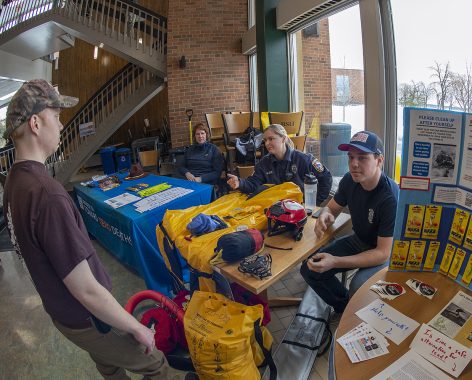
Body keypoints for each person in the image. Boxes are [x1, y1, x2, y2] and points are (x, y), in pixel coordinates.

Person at [3, 79, 183, 379]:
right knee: (155, 364)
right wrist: (137, 328)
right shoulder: (47, 194)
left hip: (63, 314)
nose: (62, 127)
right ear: (35, 123)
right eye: (57, 117)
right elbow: (85, 289)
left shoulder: (15, 181)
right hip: (90, 318)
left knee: (110, 368)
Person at [300, 131, 398, 313]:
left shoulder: (389, 197)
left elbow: (383, 253)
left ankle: (354, 306)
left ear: (379, 160)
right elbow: (332, 208)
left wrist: (335, 261)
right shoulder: (349, 180)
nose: (354, 164)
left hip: (382, 251)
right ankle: (346, 309)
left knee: (358, 287)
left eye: (362, 158)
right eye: (351, 157)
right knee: (309, 268)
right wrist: (324, 215)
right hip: (359, 240)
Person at [226, 124, 332, 205]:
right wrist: (240, 183)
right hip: (276, 210)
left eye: (271, 139)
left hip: (300, 209)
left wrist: (314, 203)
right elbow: (254, 184)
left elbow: (326, 178)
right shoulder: (264, 163)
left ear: (283, 139)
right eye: (265, 140)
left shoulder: (303, 159)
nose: (267, 143)